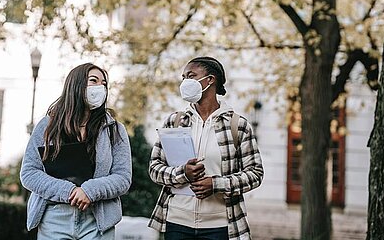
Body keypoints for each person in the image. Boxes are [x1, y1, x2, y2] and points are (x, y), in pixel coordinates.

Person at [148, 56, 264, 240]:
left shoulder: (237, 125)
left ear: (210, 80)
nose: (185, 82)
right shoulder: (174, 121)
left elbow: (255, 173)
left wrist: (216, 184)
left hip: (219, 225)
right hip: (177, 222)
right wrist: (183, 173)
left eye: (191, 76)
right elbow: (154, 169)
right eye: (183, 77)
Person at [20, 63, 132, 240]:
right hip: (54, 218)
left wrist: (89, 191)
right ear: (76, 85)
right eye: (93, 81)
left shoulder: (114, 130)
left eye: (104, 83)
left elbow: (123, 178)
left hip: (97, 220)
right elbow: (29, 173)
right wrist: (69, 191)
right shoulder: (47, 126)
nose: (100, 87)